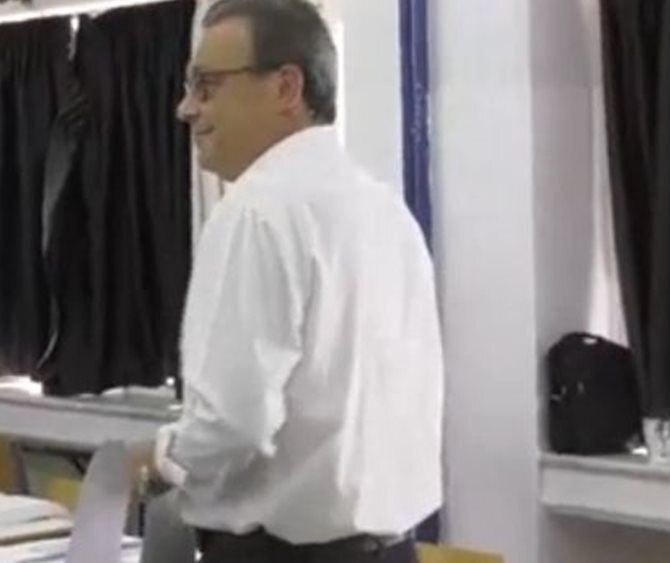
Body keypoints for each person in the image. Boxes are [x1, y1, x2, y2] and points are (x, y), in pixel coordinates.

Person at [135, 1, 444, 562]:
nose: (186, 108)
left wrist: (158, 457)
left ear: (286, 88)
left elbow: (234, 424)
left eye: (206, 86)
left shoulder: (257, 210)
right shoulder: (386, 210)